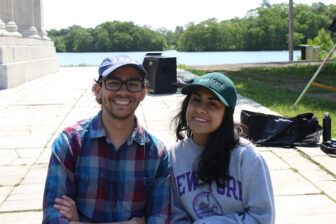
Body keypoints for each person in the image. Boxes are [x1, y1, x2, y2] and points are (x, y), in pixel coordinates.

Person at [42, 55, 170, 224]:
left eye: (133, 84)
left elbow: (160, 219)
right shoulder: (70, 144)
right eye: (114, 82)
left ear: (143, 92)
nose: (123, 91)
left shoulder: (157, 153)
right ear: (98, 89)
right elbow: (53, 217)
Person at [169, 72, 275, 224]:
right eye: (196, 100)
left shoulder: (247, 158)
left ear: (226, 114)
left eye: (212, 104)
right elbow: (175, 214)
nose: (200, 109)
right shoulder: (174, 156)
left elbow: (262, 217)